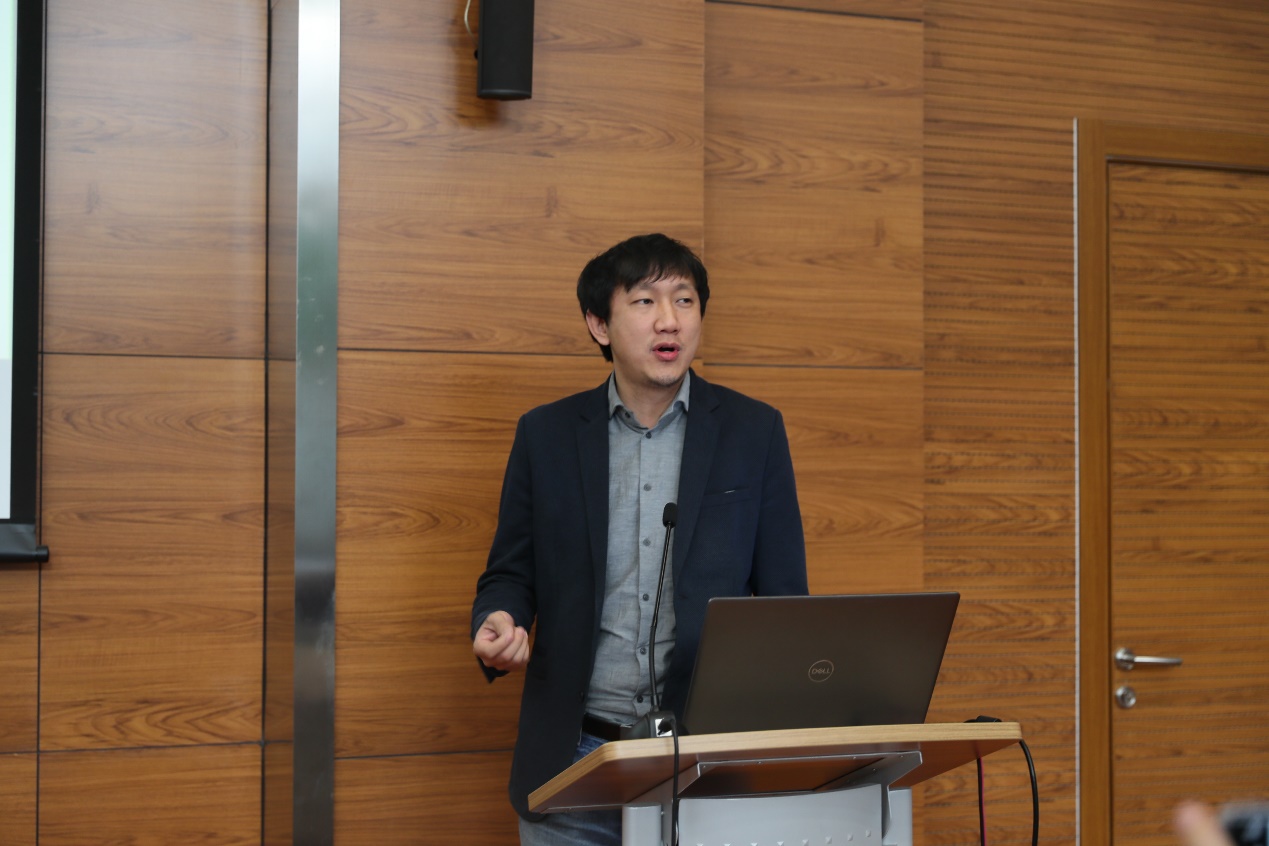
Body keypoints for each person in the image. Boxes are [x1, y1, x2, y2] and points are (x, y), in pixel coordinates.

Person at [471, 232, 809, 846]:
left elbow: (785, 601)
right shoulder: (546, 436)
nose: (669, 319)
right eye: (646, 301)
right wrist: (500, 618)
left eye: (685, 300)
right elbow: (511, 572)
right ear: (599, 324)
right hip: (574, 760)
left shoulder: (753, 431)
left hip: (707, 762)